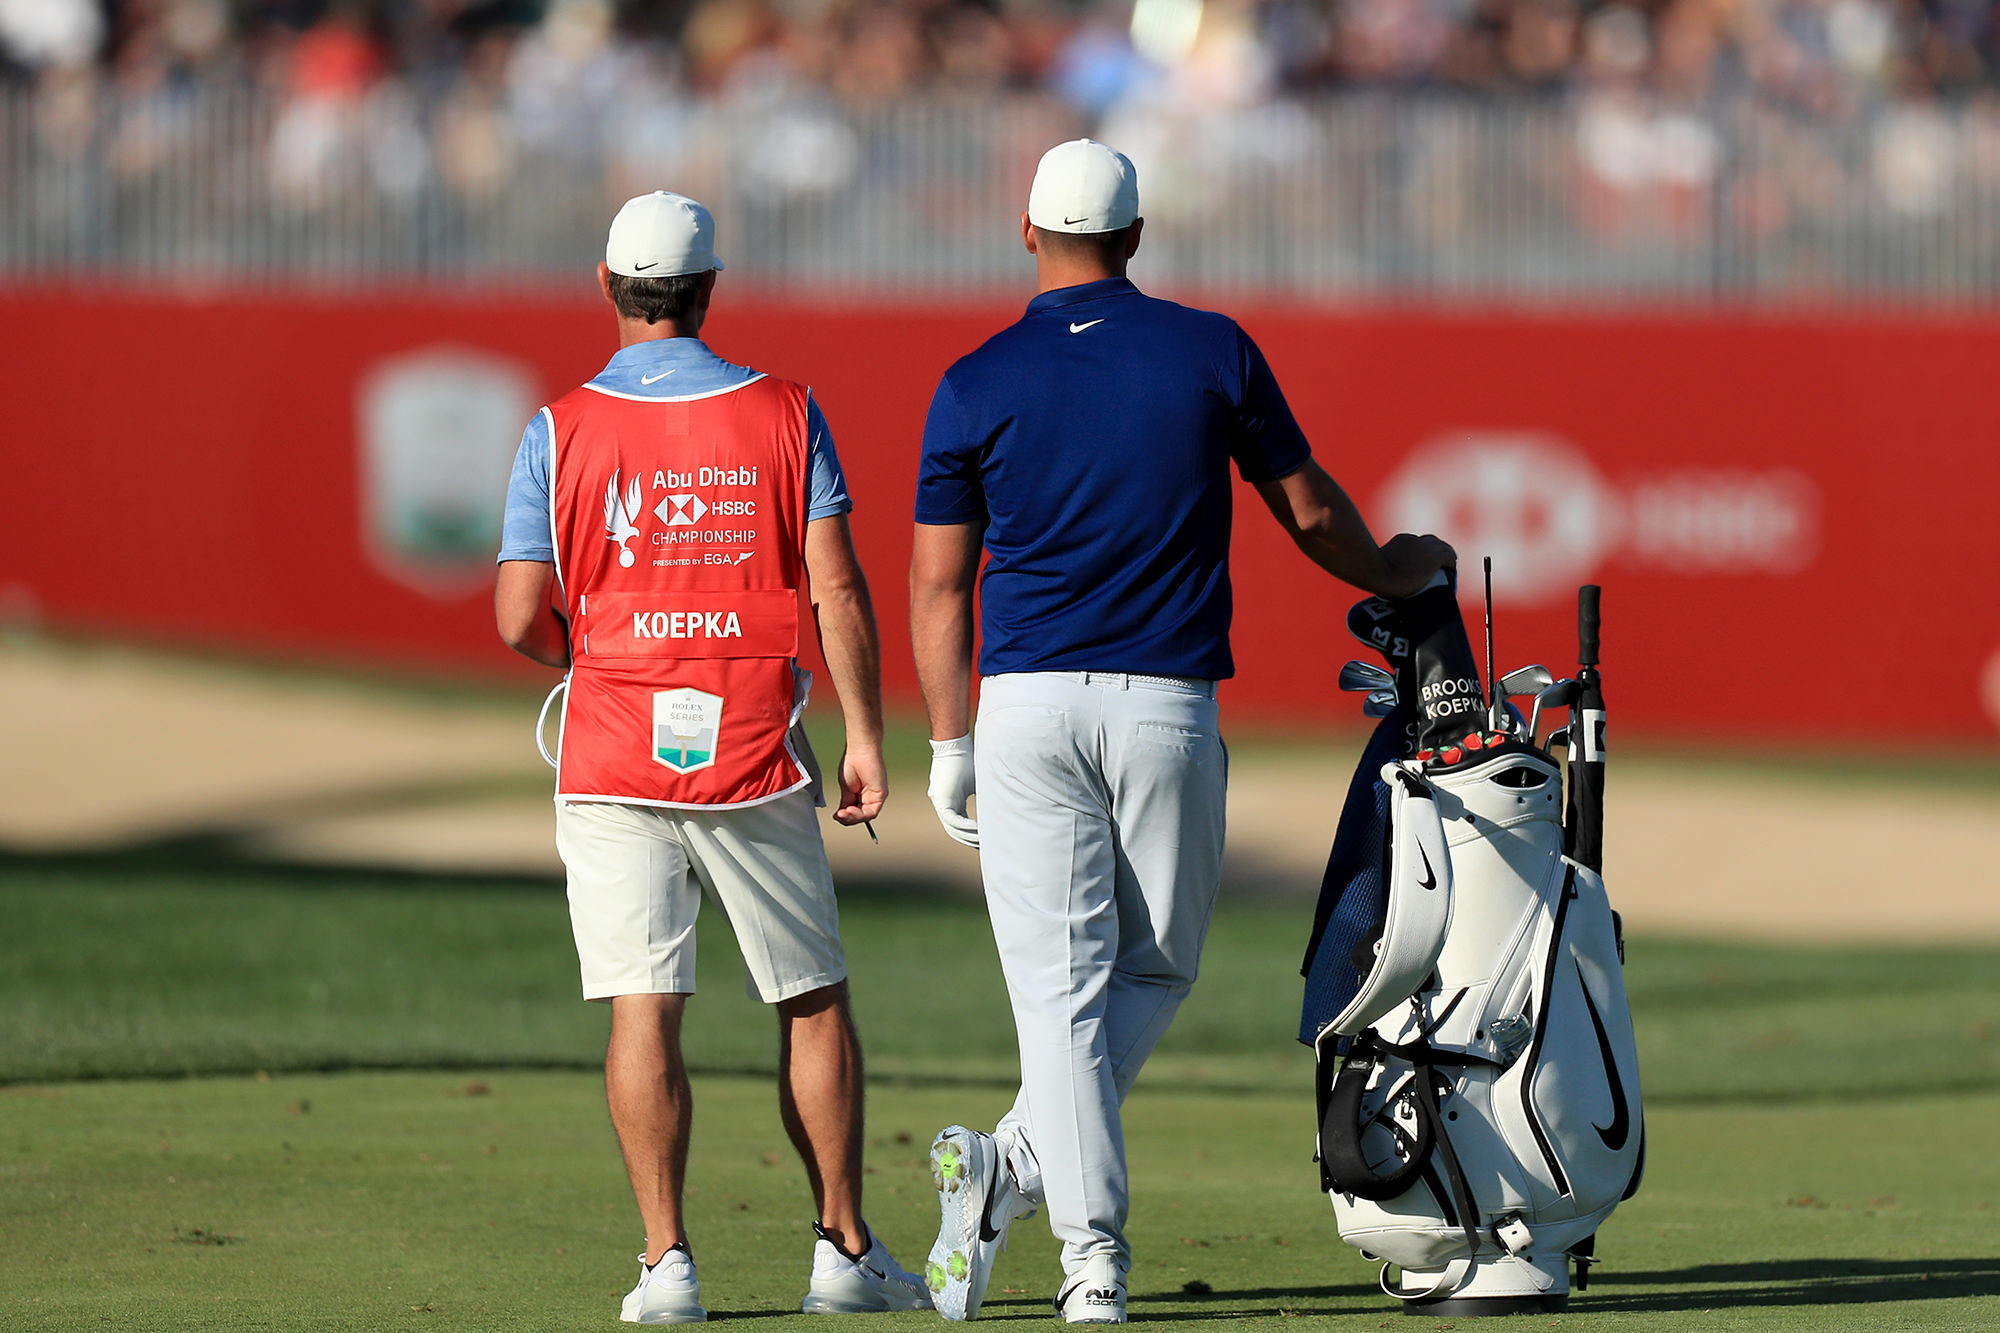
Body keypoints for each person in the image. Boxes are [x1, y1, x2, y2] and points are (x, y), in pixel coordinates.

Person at [907, 141, 1457, 1323]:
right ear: (1137, 237)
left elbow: (940, 585)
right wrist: (1399, 572)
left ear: (1026, 232)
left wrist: (946, 740)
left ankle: (1006, 1166)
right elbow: (1309, 513)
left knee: (1065, 990)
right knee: (1154, 964)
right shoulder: (1211, 347)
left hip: (1020, 710)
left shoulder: (971, 378)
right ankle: (1088, 1260)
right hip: (1164, 703)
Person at [494, 190, 929, 1324]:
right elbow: (834, 586)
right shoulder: (784, 410)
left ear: (607, 284)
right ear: (708, 289)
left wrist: (586, 661)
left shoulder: (558, 423)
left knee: (644, 1006)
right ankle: (841, 1250)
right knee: (810, 999)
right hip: (750, 744)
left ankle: (666, 1264)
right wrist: (869, 736)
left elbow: (514, 614)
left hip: (608, 744)